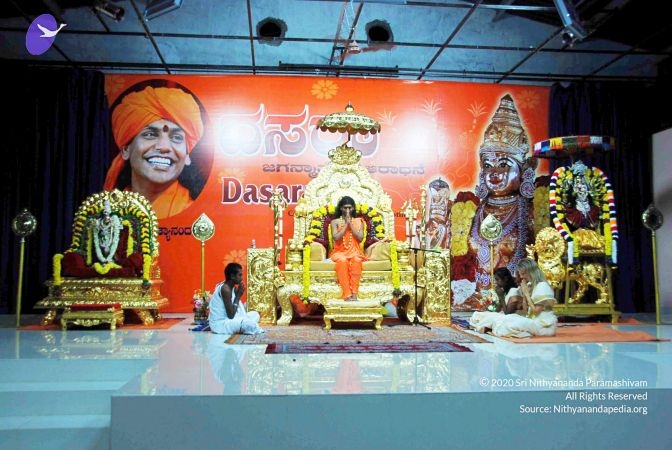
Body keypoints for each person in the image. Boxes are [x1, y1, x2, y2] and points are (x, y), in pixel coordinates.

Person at [103, 85, 205, 219]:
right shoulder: (106, 212)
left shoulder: (196, 213)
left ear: (187, 155)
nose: (163, 147)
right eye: (150, 134)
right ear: (126, 149)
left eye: (176, 137)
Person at [467, 94, 536, 291]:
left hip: (516, 293)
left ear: (523, 171)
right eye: (488, 166)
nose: (494, 173)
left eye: (503, 164)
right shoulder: (475, 210)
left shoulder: (528, 212)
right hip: (478, 292)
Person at [469, 258, 557, 338]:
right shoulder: (532, 285)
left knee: (507, 322)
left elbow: (536, 311)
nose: (521, 277)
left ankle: (489, 328)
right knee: (503, 318)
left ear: (531, 272)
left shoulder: (542, 286)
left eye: (523, 274)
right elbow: (526, 310)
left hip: (542, 326)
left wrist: (526, 293)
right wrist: (525, 295)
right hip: (531, 321)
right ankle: (489, 327)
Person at [62, 200, 142, 278]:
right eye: (105, 213)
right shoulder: (97, 225)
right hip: (100, 257)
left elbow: (115, 240)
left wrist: (109, 258)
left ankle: (108, 260)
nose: (107, 216)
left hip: (114, 258)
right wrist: (102, 259)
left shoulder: (115, 225)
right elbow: (96, 242)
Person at [208, 263, 264, 335]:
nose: (242, 278)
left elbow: (237, 312)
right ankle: (243, 325)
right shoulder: (225, 289)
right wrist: (238, 296)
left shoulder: (232, 287)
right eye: (240, 275)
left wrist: (237, 295)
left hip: (230, 319)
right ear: (232, 276)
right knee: (248, 324)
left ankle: (242, 325)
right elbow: (231, 315)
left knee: (255, 314)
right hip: (221, 324)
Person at [330, 196, 367, 301]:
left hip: (355, 252)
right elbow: (336, 237)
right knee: (342, 261)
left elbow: (360, 238)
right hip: (340, 252)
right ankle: (347, 294)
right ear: (341, 208)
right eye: (345, 207)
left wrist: (350, 224)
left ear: (353, 208)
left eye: (350, 208)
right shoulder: (335, 222)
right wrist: (346, 224)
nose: (347, 210)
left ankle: (354, 293)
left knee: (357, 260)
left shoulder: (359, 221)